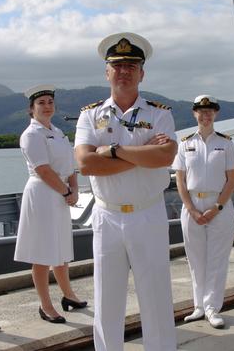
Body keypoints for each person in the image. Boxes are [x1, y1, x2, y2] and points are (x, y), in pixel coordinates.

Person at [74, 32, 178, 351]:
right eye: (117, 65)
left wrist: (112, 150)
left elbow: (165, 156)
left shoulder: (159, 113)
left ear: (141, 73)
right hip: (107, 216)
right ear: (107, 72)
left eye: (131, 65)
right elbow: (86, 163)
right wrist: (139, 153)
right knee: (107, 297)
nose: (124, 71)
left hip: (148, 213)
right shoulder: (90, 114)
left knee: (156, 294)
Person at [13, 84, 87, 324]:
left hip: (61, 194)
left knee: (61, 250)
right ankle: (45, 305)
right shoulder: (31, 134)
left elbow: (71, 165)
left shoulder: (58, 132)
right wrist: (67, 191)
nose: (47, 107)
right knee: (43, 253)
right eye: (41, 103)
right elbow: (43, 169)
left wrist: (74, 189)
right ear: (31, 108)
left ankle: (69, 295)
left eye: (50, 102)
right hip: (43, 195)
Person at [172, 95, 234, 328]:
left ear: (215, 114)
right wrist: (190, 208)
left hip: (219, 205)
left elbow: (232, 179)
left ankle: (212, 307)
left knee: (217, 259)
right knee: (195, 259)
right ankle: (198, 306)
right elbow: (180, 179)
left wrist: (217, 207)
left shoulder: (226, 143)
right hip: (192, 205)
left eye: (210, 111)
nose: (205, 115)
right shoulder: (185, 143)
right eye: (201, 111)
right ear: (194, 114)